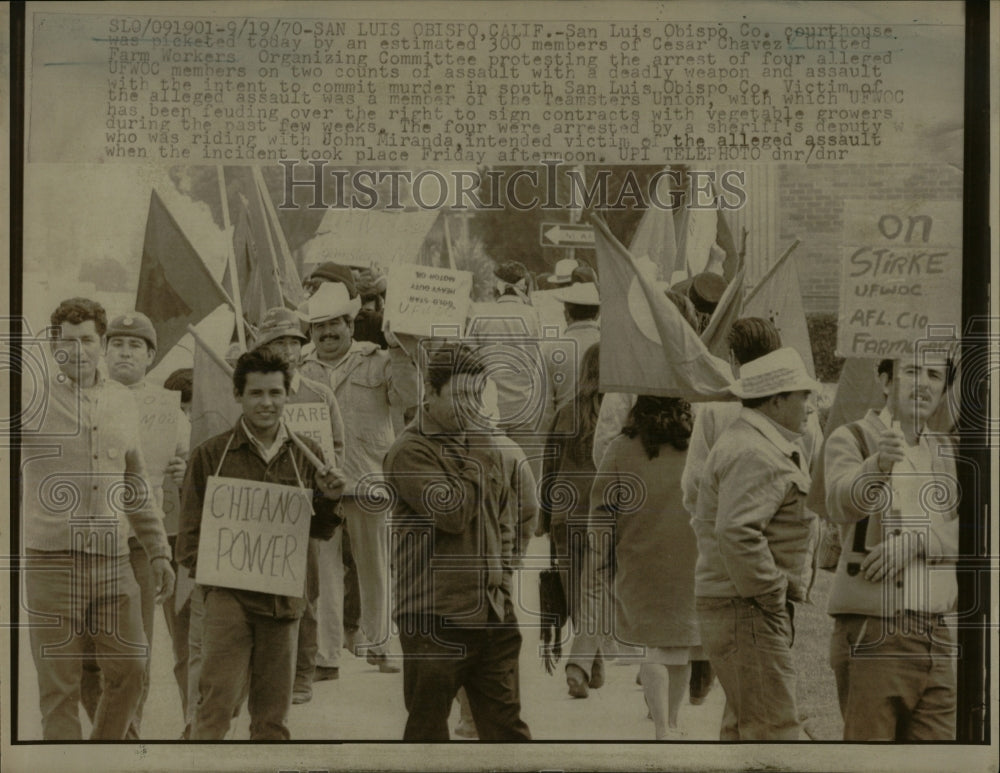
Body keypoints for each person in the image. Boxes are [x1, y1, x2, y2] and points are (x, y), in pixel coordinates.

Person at [21, 297, 174, 740]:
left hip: (113, 564)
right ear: (53, 344)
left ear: (101, 343)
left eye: (87, 340)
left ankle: (104, 753)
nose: (78, 350)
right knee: (59, 691)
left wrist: (159, 551)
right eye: (67, 341)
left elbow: (136, 484)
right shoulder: (28, 397)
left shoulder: (123, 400)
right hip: (51, 566)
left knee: (132, 671)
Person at [176, 350, 345, 740]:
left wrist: (330, 498)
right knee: (215, 707)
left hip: (283, 602)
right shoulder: (210, 455)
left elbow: (320, 531)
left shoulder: (309, 456)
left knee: (272, 717)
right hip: (228, 599)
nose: (266, 403)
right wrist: (223, 573)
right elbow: (188, 541)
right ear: (238, 395)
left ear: (288, 395)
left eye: (275, 392)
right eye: (256, 393)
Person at [384, 342, 531, 741]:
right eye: (459, 395)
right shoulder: (408, 452)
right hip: (433, 617)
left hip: (490, 614)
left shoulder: (482, 443)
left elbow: (505, 516)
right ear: (429, 395)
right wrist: (480, 457)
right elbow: (451, 513)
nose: (470, 406)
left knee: (508, 732)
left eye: (476, 394)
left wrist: (501, 578)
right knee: (428, 732)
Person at [679, 317, 823, 707]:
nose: (810, 407)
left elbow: (693, 490)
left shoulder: (728, 421)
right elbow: (738, 532)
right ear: (777, 399)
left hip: (741, 597)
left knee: (747, 718)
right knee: (772, 727)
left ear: (734, 357)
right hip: (750, 603)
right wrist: (773, 591)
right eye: (802, 396)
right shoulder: (757, 449)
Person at [822, 350, 959, 740]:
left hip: (936, 632)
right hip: (876, 629)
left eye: (934, 375)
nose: (923, 383)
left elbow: (978, 531)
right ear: (884, 381)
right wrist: (878, 465)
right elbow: (839, 502)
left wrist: (921, 542)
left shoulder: (945, 451)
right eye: (912, 371)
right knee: (871, 762)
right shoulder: (853, 438)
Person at [78, 312, 189, 739]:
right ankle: (113, 728)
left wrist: (182, 466)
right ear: (105, 351)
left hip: (141, 544)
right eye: (118, 345)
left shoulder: (167, 408)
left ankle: (130, 729)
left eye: (136, 346)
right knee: (88, 652)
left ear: (151, 356)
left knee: (134, 649)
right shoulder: (86, 399)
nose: (126, 353)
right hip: (92, 542)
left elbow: (189, 459)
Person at [301, 280, 416, 675]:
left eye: (335, 324)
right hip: (319, 488)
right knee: (326, 574)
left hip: (369, 479)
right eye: (320, 326)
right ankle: (326, 656)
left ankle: (381, 644)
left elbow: (409, 398)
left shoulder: (379, 360)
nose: (328, 332)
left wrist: (401, 349)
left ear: (351, 325)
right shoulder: (299, 369)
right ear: (311, 331)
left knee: (376, 568)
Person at [251, 306, 347, 705]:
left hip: (302, 508)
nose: (289, 350)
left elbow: (337, 446)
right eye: (279, 342)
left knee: (304, 595)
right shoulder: (247, 389)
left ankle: (302, 674)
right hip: (257, 507)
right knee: (256, 592)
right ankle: (262, 673)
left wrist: (325, 476)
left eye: (294, 342)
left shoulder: (318, 394)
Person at [592, 395, 700, 738]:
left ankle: (660, 728)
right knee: (680, 642)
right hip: (688, 554)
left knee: (651, 646)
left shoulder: (621, 448)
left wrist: (603, 555)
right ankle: (671, 720)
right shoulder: (696, 446)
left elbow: (601, 509)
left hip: (637, 552)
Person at [539, 343, 612, 699]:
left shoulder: (566, 414)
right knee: (596, 592)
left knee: (576, 593)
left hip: (565, 517)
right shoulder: (615, 416)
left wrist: (544, 517)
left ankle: (590, 666)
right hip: (603, 516)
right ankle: (586, 665)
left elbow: (549, 468)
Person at [465, 260, 554, 480]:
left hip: (489, 409)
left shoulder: (480, 316)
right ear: (524, 286)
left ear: (498, 287)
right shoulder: (536, 317)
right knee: (526, 480)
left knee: (491, 478)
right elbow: (546, 361)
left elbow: (467, 360)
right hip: (527, 410)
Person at [548, 282, 600, 415]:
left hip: (566, 426)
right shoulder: (612, 345)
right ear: (597, 314)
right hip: (603, 427)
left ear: (566, 314)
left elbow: (544, 406)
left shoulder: (550, 348)